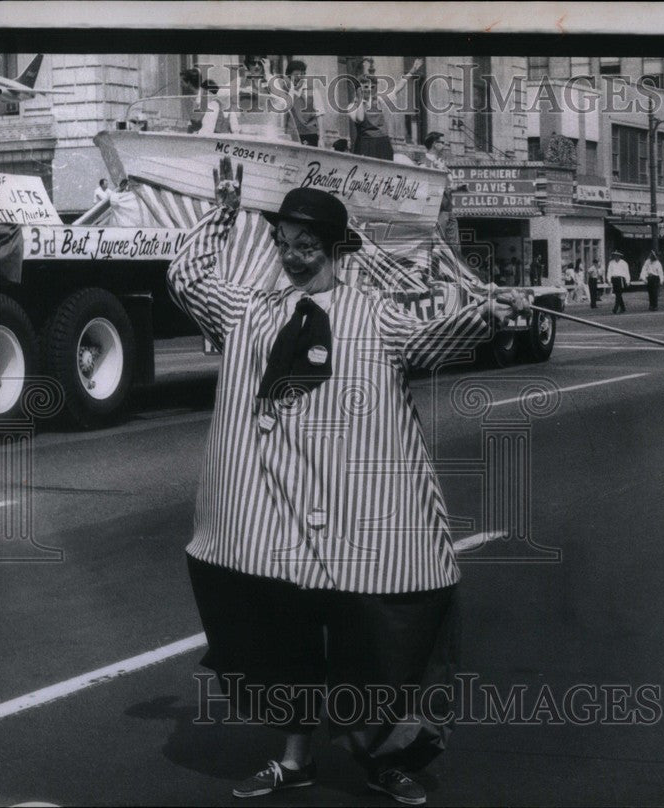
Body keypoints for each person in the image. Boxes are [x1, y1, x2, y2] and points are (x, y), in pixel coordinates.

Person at [169, 157, 530, 807]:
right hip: (271, 523)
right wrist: (224, 210)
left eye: (307, 245)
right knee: (286, 645)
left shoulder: (378, 317)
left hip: (361, 523)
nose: (293, 256)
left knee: (378, 646)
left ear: (336, 249)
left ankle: (382, 760)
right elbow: (186, 277)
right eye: (284, 242)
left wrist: (492, 312)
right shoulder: (247, 311)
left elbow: (439, 334)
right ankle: (296, 758)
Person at [347, 59, 422, 160]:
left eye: (370, 86)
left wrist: (411, 71)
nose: (368, 89)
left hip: (382, 142)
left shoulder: (379, 100)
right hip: (365, 144)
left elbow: (398, 88)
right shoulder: (352, 106)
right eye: (364, 87)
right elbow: (360, 119)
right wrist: (360, 99)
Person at [273, 59, 325, 147]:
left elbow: (319, 115)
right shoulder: (284, 91)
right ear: (289, 76)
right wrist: (291, 90)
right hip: (291, 135)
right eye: (296, 75)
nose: (299, 77)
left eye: (302, 74)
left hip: (309, 134)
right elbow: (283, 109)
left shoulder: (312, 91)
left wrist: (321, 139)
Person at [181, 69, 231, 135]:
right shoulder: (196, 99)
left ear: (189, 83)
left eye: (182, 82)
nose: (180, 84)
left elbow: (207, 131)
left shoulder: (211, 103)